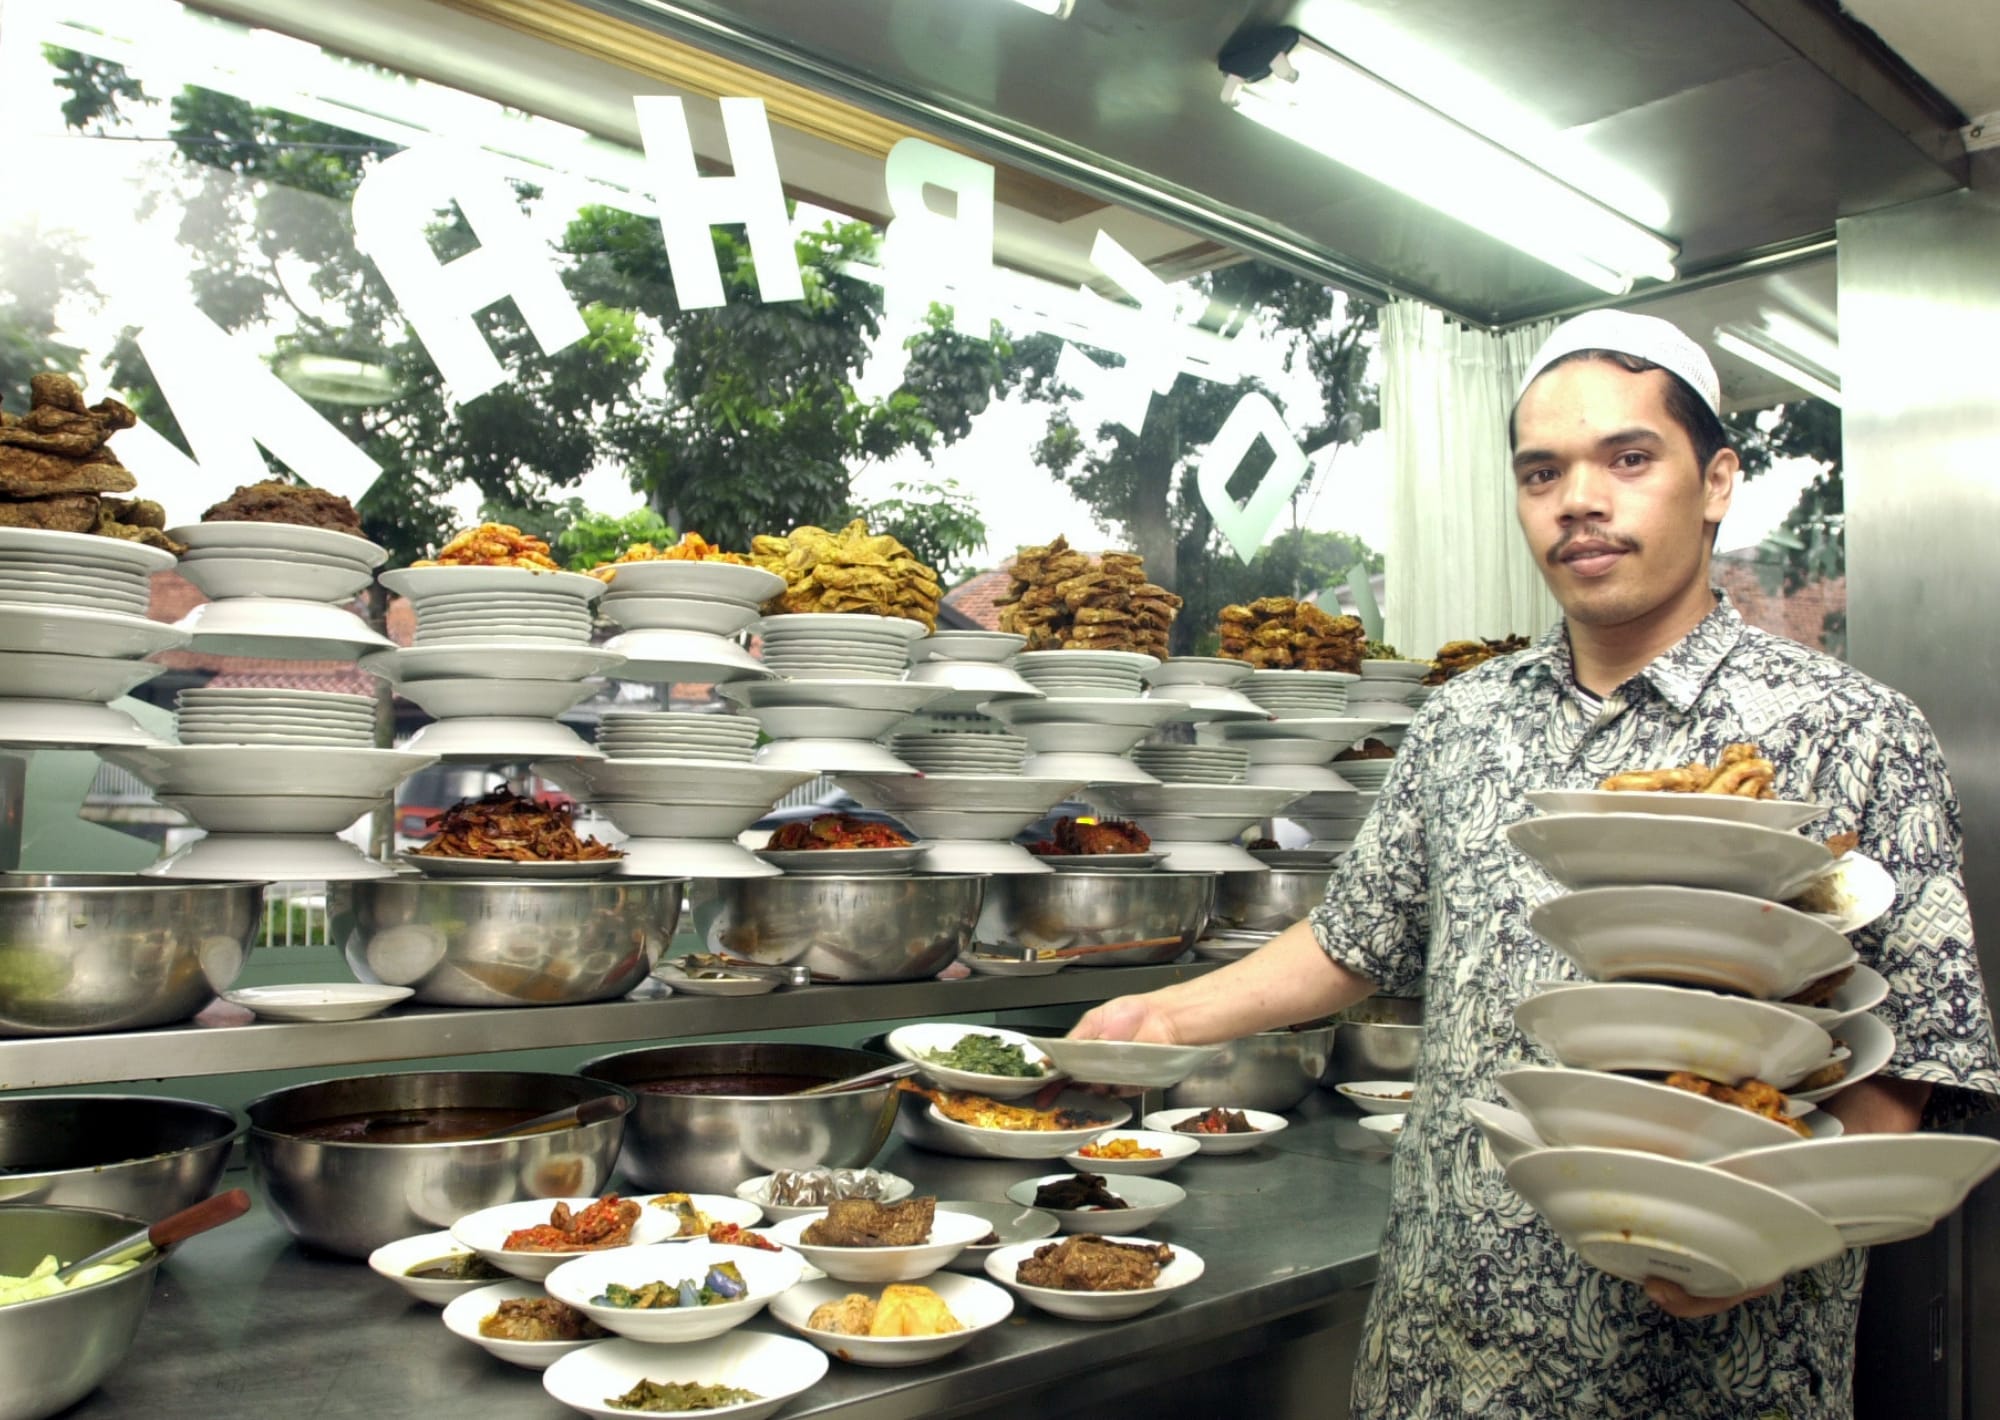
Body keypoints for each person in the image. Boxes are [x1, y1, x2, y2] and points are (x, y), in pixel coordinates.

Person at [1073, 310, 2000, 1419]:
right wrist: (1167, 1021)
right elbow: (1351, 938)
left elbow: (1920, 1051)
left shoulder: (1850, 728)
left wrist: (1767, 1229)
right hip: (1440, 1354)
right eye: (1539, 472)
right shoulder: (1461, 722)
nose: (1577, 501)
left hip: (1705, 1365)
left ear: (1713, 483)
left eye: (1626, 458)